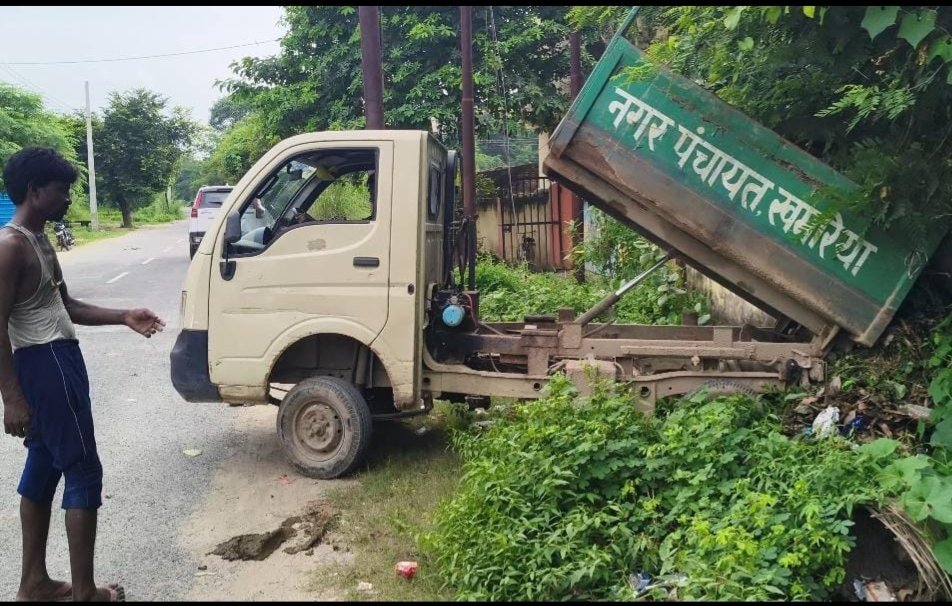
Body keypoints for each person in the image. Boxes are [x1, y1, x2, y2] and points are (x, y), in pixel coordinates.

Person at [0, 147, 165, 602]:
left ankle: (33, 584)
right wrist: (11, 396)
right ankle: (86, 593)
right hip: (43, 362)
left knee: (46, 464)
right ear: (35, 191)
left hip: (60, 358)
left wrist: (124, 315)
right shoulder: (10, 247)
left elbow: (65, 306)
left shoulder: (40, 240)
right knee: (84, 471)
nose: (69, 198)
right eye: (62, 190)